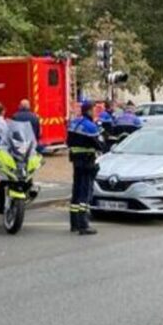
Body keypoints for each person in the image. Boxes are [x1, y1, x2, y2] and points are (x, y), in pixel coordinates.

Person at [67, 101, 105, 235]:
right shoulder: (90, 126)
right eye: (94, 110)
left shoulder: (74, 123)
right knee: (85, 192)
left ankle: (74, 224)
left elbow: (68, 142)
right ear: (89, 111)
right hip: (87, 161)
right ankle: (84, 225)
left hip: (76, 161)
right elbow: (99, 145)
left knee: (76, 192)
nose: (95, 112)